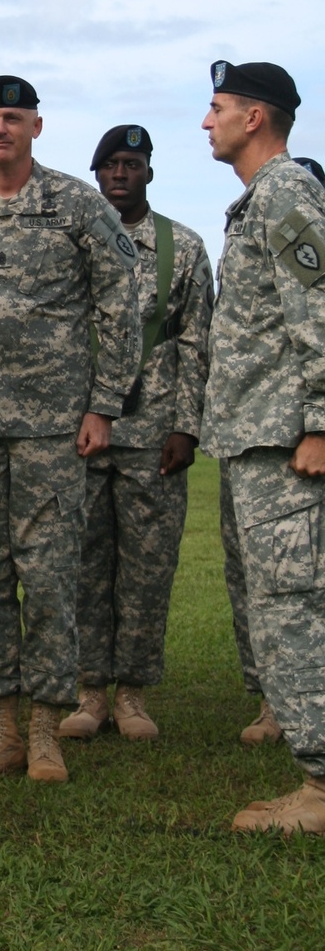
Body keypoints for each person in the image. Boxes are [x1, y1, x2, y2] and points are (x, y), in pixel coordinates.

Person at [0, 76, 141, 784]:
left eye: (14, 118)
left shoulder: (76, 206)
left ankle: (46, 731)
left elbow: (122, 305)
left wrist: (104, 404)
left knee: (51, 573)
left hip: (55, 424)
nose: (1, 129)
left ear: (37, 126)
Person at [201, 61, 325, 834]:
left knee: (294, 610)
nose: (205, 122)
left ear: (255, 117)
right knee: (281, 604)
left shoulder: (285, 193)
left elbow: (318, 304)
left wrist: (319, 421)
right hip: (260, 437)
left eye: (216, 108)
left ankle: (320, 789)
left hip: (288, 441)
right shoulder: (256, 201)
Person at [61, 126, 212, 742]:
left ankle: (134, 695)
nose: (121, 174)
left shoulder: (185, 247)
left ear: (149, 172)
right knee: (84, 564)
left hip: (153, 436)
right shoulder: (72, 241)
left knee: (149, 567)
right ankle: (90, 691)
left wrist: (186, 427)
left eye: (133, 164)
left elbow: (198, 342)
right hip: (80, 431)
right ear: (96, 175)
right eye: (111, 165)